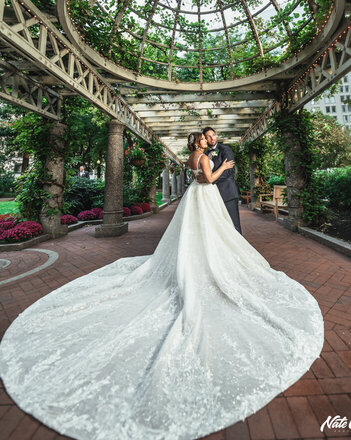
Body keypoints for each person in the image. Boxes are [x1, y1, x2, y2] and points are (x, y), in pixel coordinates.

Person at [0, 130, 324, 440]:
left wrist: (212, 165)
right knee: (212, 237)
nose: (204, 140)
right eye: (201, 137)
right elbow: (209, 179)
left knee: (196, 237)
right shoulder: (206, 157)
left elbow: (196, 178)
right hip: (206, 197)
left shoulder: (191, 157)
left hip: (194, 199)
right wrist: (223, 166)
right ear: (198, 142)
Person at [201, 126, 242, 233]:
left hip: (227, 192)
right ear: (205, 139)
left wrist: (211, 180)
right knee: (219, 225)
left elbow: (227, 172)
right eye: (208, 137)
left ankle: (238, 249)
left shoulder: (225, 150)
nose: (212, 138)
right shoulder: (204, 155)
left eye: (213, 135)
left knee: (233, 224)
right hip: (212, 194)